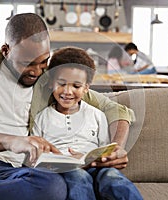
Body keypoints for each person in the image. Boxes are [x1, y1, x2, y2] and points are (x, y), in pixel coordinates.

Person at [0, 13, 134, 199]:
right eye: (27, 63)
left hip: (14, 171)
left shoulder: (52, 79)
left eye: (43, 62)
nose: (37, 71)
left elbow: (116, 109)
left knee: (53, 188)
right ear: (6, 51)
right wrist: (13, 141)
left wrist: (116, 148)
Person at [32, 46, 142, 200]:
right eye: (61, 84)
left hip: (95, 166)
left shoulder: (96, 115)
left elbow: (104, 148)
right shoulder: (42, 118)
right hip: (65, 169)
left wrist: (93, 159)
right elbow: (36, 156)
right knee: (78, 177)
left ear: (86, 89)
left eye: (76, 86)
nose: (68, 92)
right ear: (51, 83)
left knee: (113, 178)